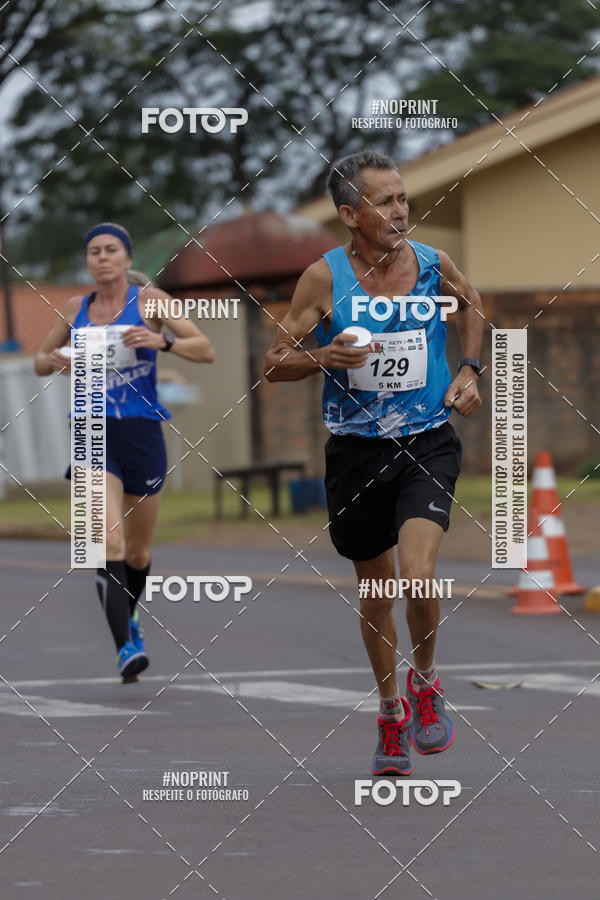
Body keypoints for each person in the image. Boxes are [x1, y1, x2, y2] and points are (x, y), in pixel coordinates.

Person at [264, 150, 483, 775]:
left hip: (427, 442)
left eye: (403, 198)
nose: (401, 211)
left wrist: (469, 370)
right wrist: (323, 357)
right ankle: (389, 713)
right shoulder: (323, 278)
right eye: (385, 202)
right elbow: (274, 363)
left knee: (417, 575)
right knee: (376, 595)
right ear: (349, 214)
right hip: (356, 454)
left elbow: (473, 306)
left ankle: (427, 681)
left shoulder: (432, 264)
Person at [35, 223, 215, 681]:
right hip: (91, 430)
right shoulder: (77, 308)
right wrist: (56, 360)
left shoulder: (151, 301)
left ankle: (130, 618)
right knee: (105, 542)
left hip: (142, 433)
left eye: (110, 249)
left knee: (136, 551)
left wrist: (162, 341)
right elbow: (40, 359)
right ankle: (125, 647)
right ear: (88, 262)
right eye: (93, 251)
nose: (101, 258)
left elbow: (204, 348)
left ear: (127, 258)